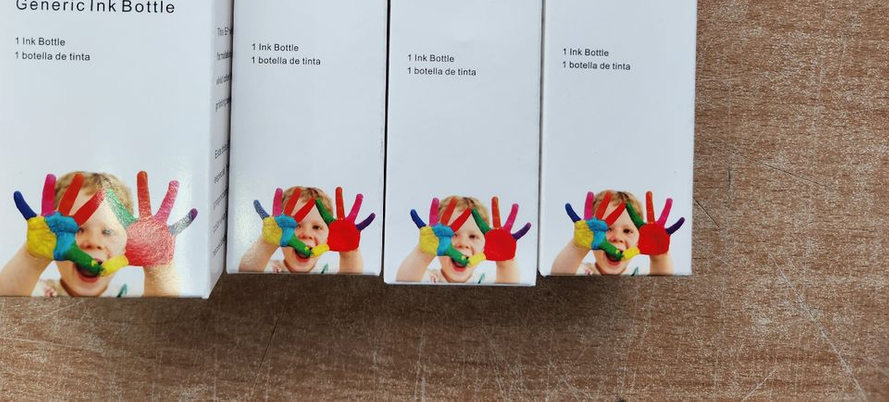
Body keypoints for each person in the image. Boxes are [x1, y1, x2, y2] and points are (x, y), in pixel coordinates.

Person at [0, 171, 194, 296]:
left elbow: (165, 310)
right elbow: (5, 301)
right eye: (78, 229)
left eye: (107, 231)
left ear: (127, 243)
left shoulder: (131, 296)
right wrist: (32, 258)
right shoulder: (36, 291)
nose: (93, 241)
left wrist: (158, 267)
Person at [396, 195, 529, 284]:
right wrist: (423, 253)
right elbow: (403, 284)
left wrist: (505, 262)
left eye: (473, 236)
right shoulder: (427, 279)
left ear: (485, 245)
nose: (463, 243)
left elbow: (510, 290)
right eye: (453, 234)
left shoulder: (486, 281)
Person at [238, 186, 372, 274]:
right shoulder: (270, 268)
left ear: (329, 235)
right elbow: (245, 274)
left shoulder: (327, 272)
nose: (307, 234)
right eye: (296, 225)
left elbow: (351, 283)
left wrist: (349, 252)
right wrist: (266, 244)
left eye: (317, 227)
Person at [550, 189, 683, 276]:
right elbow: (558, 276)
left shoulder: (640, 275)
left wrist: (659, 256)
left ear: (639, 239)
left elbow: (663, 287)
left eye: (627, 231)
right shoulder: (582, 272)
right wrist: (577, 248)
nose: (617, 237)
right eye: (607, 229)